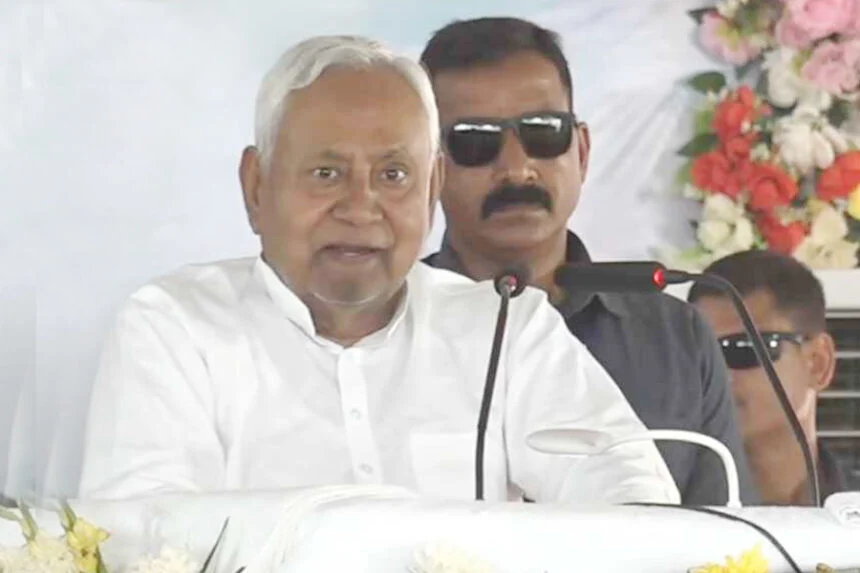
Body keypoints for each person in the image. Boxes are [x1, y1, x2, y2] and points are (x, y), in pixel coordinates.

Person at [78, 35, 679, 504]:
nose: (360, 207)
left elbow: (634, 498)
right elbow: (144, 533)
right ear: (256, 187)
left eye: (393, 175)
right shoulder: (176, 327)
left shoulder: (507, 327)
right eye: (326, 174)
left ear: (433, 186)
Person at [419, 17, 757, 505]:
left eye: (543, 133)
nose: (516, 168)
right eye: (475, 141)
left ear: (581, 150)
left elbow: (723, 535)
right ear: (428, 167)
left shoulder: (674, 337)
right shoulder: (384, 330)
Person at [689, 250, 859, 504]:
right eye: (701, 353)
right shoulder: (658, 517)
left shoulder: (851, 514)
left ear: (818, 363)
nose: (717, 373)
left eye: (743, 348)